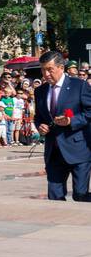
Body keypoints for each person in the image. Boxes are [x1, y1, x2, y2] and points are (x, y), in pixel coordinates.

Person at [33, 50, 91, 201]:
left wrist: (72, 121)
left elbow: (89, 112)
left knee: (80, 195)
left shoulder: (79, 86)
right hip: (54, 152)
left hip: (78, 150)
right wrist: (41, 126)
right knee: (55, 197)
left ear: (61, 68)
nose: (46, 74)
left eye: (49, 70)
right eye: (43, 70)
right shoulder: (40, 91)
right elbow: (38, 116)